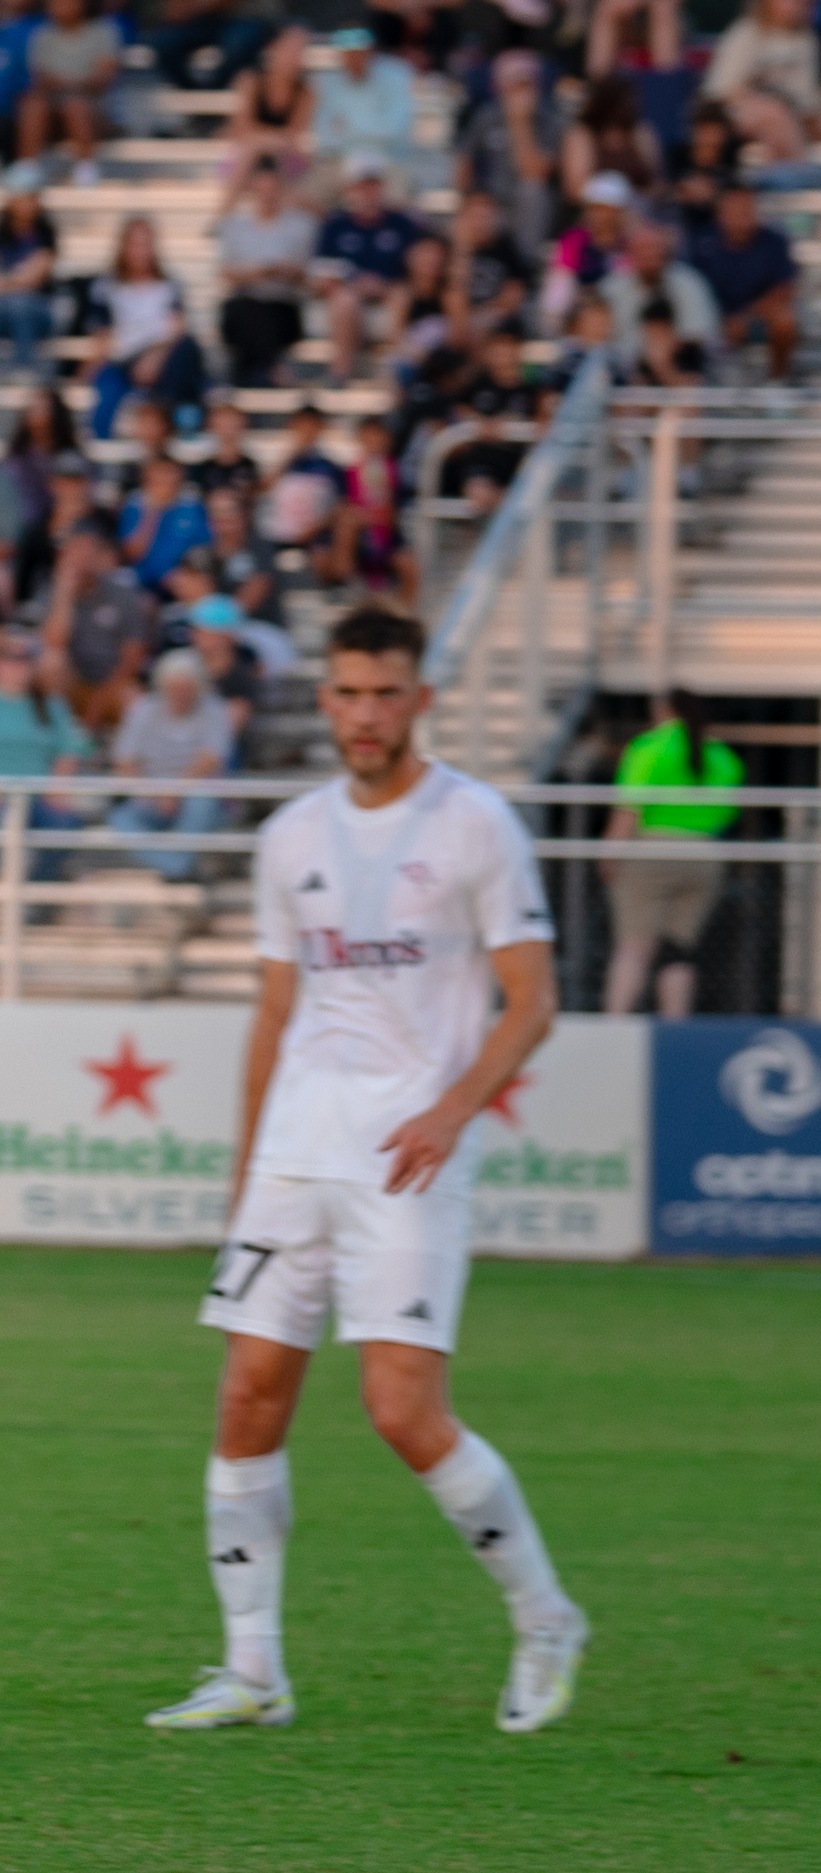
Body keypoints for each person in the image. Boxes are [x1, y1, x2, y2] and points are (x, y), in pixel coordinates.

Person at [152, 607, 590, 1741]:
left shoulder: (474, 823)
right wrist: (244, 1169)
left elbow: (532, 997)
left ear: (419, 699)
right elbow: (272, 1010)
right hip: (295, 1152)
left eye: (383, 693)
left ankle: (544, 1616)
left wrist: (453, 1110)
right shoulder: (290, 835)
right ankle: (253, 1669)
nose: (362, 714)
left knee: (400, 1409)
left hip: (408, 1150)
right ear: (326, 700)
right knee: (248, 1393)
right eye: (345, 693)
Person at [603, 690, 742, 1018]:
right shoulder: (723, 756)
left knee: (635, 947)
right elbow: (727, 814)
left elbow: (628, 810)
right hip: (705, 854)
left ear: (663, 710)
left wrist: (610, 853)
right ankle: (675, 1026)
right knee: (678, 952)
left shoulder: (649, 748)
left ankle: (615, 1022)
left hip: (652, 850)